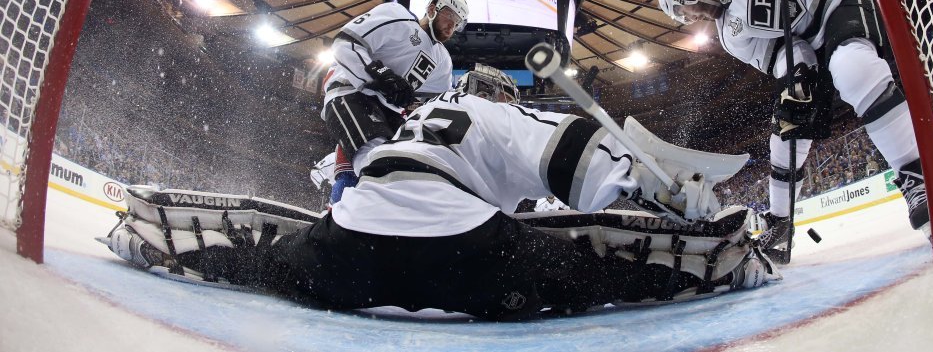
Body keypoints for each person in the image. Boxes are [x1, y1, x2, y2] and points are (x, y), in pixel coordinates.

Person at [104, 65, 778, 320]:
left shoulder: (408, 122)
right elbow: (583, 159)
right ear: (497, 94)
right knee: (599, 274)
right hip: (467, 259)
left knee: (266, 267)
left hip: (350, 250)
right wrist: (662, 192)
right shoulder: (499, 112)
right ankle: (729, 268)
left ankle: (142, 240)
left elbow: (334, 175)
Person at [654, 0, 930, 260]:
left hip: (835, 1)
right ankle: (781, 225)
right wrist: (796, 78)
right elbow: (783, 50)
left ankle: (916, 176)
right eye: (684, 13)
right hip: (811, 42)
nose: (694, 9)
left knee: (852, 69)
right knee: (786, 125)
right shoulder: (730, 35)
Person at [313, 0, 469, 205]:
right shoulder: (399, 17)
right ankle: (343, 218)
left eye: (458, 22)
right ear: (432, 8)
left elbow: (439, 103)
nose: (452, 26)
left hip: (390, 113)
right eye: (450, 16)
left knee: (405, 164)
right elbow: (345, 43)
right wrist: (380, 75)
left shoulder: (443, 60)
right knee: (377, 163)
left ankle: (342, 195)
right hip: (352, 92)